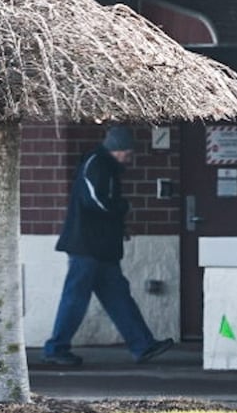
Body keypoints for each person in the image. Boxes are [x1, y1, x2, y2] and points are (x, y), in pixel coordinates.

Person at [41, 124, 175, 367]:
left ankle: (142, 344)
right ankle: (56, 348)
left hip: (100, 245)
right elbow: (95, 200)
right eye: (127, 152)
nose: (129, 157)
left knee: (116, 297)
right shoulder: (97, 164)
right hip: (88, 244)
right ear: (118, 149)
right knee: (78, 297)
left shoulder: (104, 166)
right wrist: (120, 209)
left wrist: (117, 225)